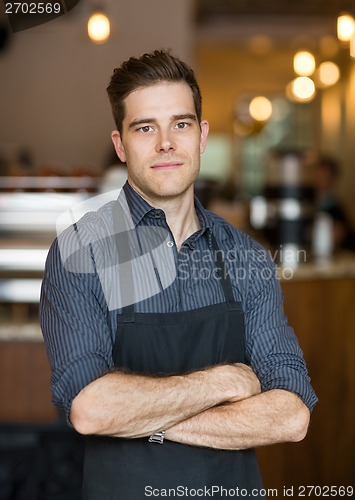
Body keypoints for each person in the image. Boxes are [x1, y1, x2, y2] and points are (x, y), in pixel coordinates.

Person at [40, 50, 317, 499]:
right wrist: (225, 382)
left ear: (202, 135)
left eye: (181, 124)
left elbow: (291, 416)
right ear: (120, 144)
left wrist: (139, 417)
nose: (166, 143)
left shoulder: (245, 256)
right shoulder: (81, 255)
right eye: (145, 127)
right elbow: (91, 411)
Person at [314, 155, 355, 252]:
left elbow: (338, 237)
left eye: (325, 176)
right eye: (319, 176)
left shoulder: (337, 209)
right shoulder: (309, 204)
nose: (321, 180)